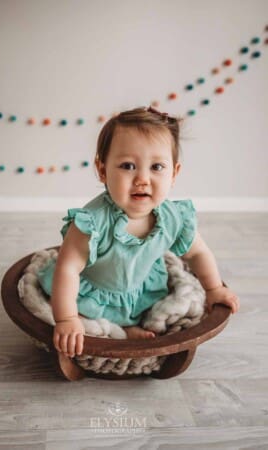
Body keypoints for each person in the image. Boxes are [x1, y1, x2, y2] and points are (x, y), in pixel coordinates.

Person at [37, 106, 240, 358]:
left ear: (174, 173)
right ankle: (120, 331)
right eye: (127, 166)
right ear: (102, 171)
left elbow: (198, 253)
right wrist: (66, 318)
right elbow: (67, 269)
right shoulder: (93, 223)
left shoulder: (172, 217)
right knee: (81, 321)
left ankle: (131, 326)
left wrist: (213, 289)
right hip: (94, 292)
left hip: (142, 289)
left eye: (156, 167)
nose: (142, 178)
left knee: (159, 310)